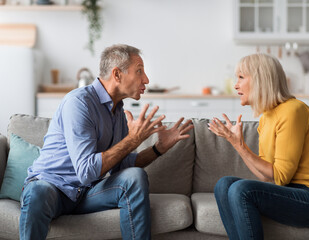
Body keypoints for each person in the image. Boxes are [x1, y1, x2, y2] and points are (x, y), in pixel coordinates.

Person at [19, 44, 193, 240]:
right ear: (117, 75)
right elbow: (86, 171)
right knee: (37, 192)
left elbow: (118, 165)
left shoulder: (118, 112)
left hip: (86, 193)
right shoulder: (79, 103)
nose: (146, 79)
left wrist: (157, 149)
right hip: (53, 189)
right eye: (139, 71)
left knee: (135, 177)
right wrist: (132, 139)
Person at [208, 53, 309, 240]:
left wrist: (239, 144)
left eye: (241, 77)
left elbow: (280, 176)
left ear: (261, 80)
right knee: (224, 185)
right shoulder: (266, 118)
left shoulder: (293, 110)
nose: (236, 85)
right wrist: (236, 144)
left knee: (240, 189)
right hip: (292, 192)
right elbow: (266, 176)